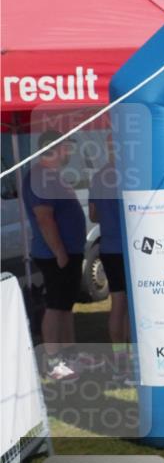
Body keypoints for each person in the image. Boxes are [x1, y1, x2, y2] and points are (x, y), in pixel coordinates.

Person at [22, 131, 88, 380]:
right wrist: (60, 252)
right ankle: (53, 362)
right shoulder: (40, 177)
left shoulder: (51, 176)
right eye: (67, 146)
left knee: (65, 306)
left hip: (68, 252)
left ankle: (70, 356)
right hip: (55, 255)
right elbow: (44, 219)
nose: (69, 152)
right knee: (55, 306)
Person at [88, 139, 132, 382]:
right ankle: (134, 364)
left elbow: (93, 215)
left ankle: (120, 365)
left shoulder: (98, 176)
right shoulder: (131, 173)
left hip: (109, 247)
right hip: (132, 250)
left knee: (118, 304)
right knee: (135, 308)